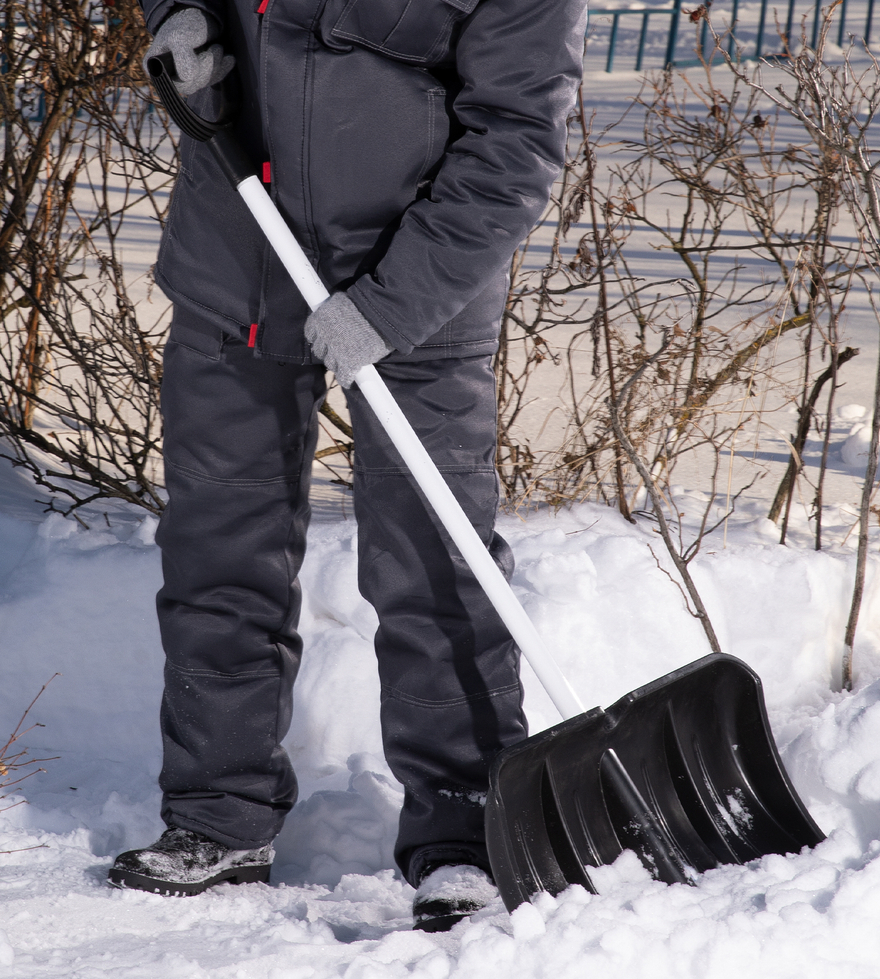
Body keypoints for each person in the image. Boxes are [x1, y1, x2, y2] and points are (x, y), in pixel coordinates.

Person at [109, 0, 587, 931]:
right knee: (219, 547)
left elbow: (518, 137)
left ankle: (465, 832)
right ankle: (217, 815)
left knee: (436, 561)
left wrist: (393, 305)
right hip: (236, 255)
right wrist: (176, 17)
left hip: (421, 289)